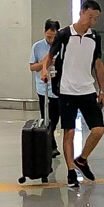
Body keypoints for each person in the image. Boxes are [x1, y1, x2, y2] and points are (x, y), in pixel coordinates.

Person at [42, 0, 104, 188]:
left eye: (96, 18)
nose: (92, 21)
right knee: (68, 131)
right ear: (81, 12)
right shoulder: (64, 34)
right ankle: (70, 170)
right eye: (90, 16)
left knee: (98, 130)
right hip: (67, 90)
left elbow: (98, 63)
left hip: (88, 89)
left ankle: (82, 159)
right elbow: (50, 56)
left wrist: (101, 89)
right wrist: (45, 70)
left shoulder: (95, 37)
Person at [29, 19, 62, 150]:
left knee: (55, 117)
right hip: (43, 87)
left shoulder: (62, 46)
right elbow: (32, 67)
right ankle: (51, 145)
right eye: (48, 37)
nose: (51, 40)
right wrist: (45, 63)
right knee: (46, 117)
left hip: (59, 87)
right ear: (44, 33)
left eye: (53, 37)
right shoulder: (37, 47)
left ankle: (50, 141)